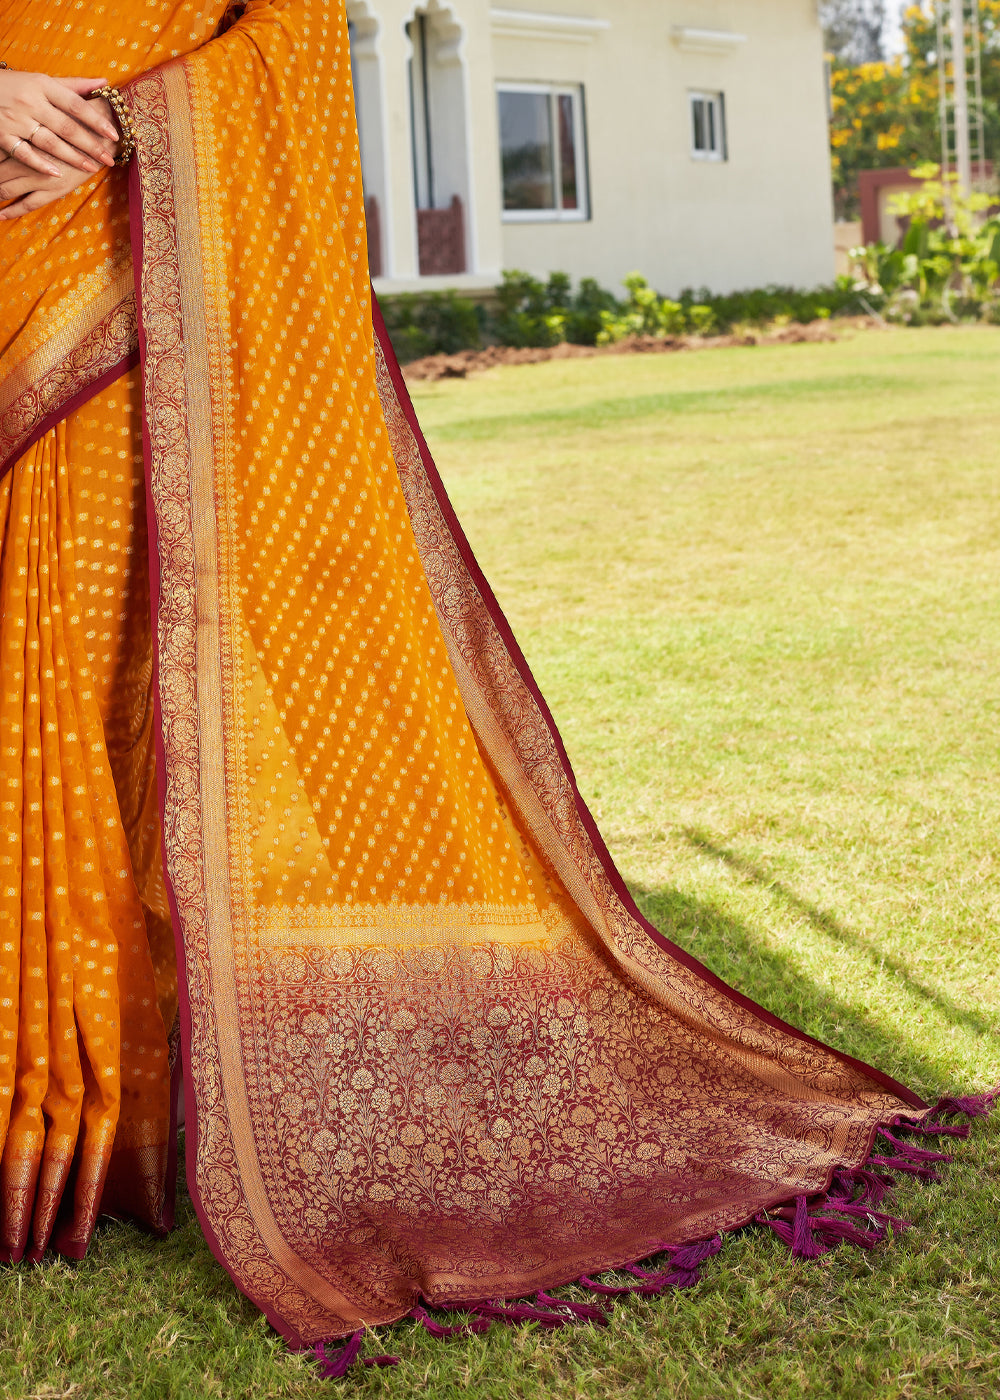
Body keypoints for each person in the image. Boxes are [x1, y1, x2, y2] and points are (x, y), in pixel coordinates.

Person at [0, 0, 976, 1363]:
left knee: (117, 668)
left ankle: (111, 1108)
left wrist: (134, 118)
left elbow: (288, 30)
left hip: (140, 240)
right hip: (16, 244)